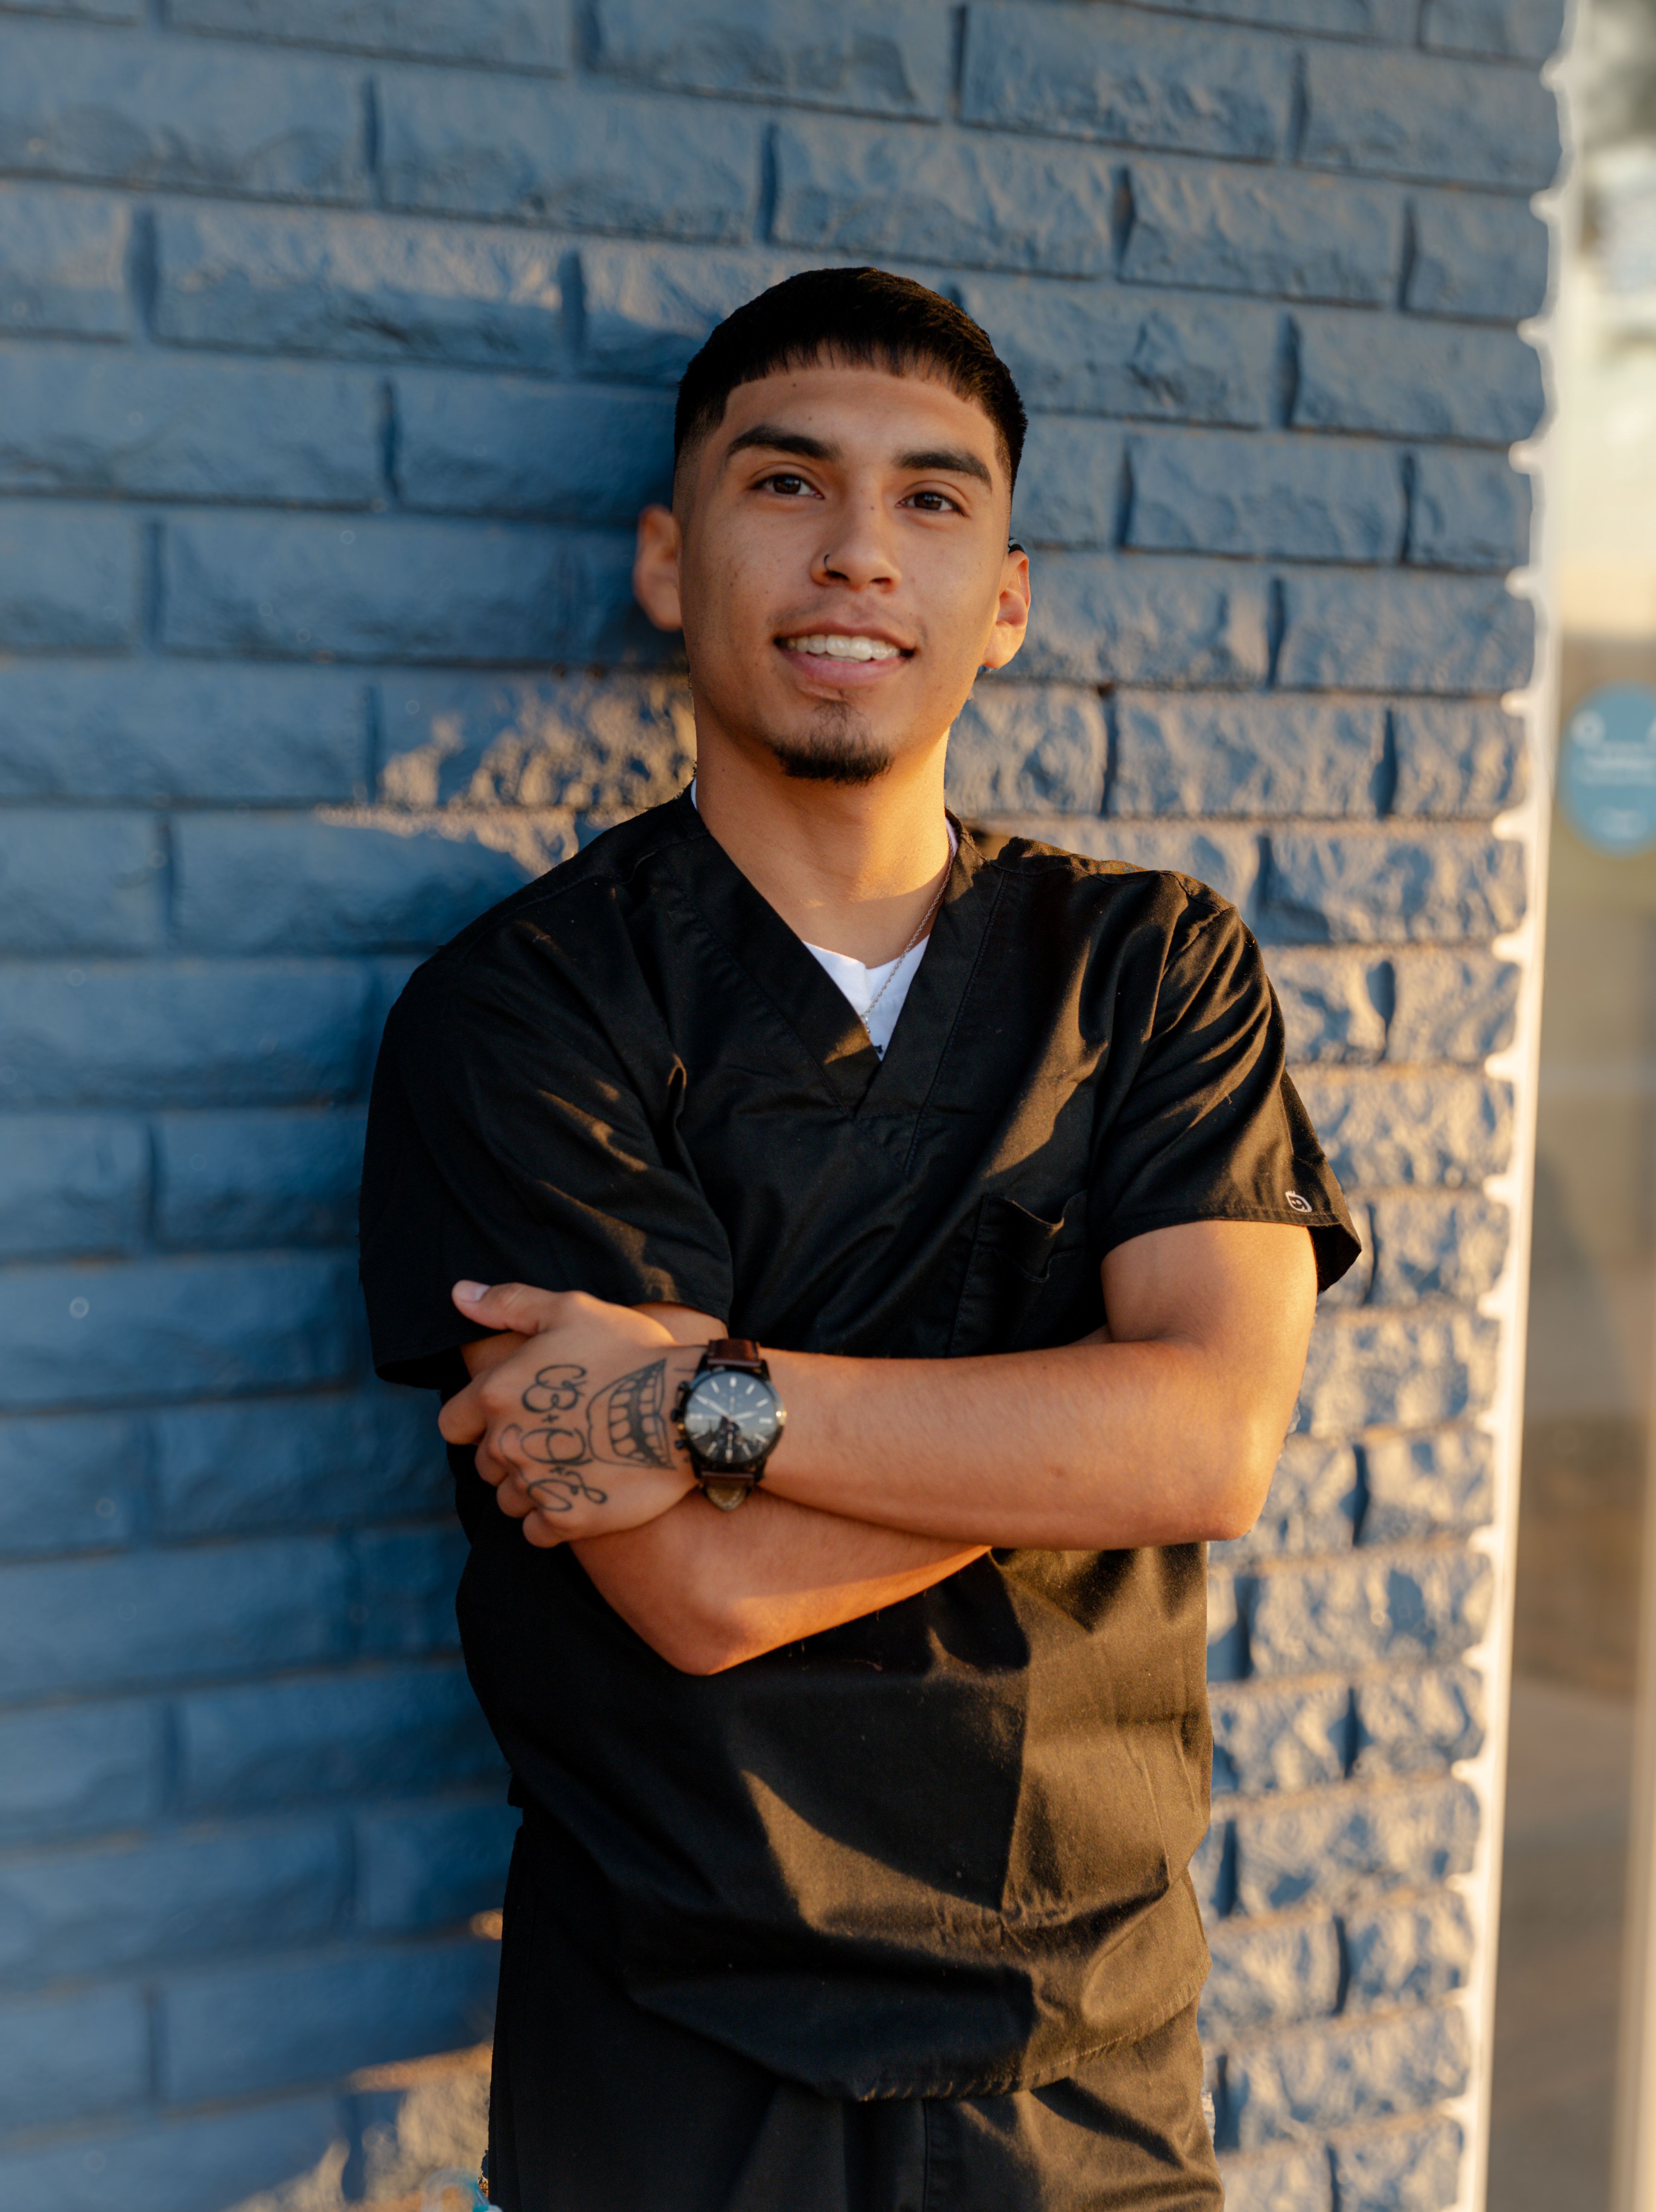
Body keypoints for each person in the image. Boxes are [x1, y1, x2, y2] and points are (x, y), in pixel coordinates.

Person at [359, 266, 1360, 2212]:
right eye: (785, 483)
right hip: (675, 2076)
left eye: (929, 499)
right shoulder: (526, 1009)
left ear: (1000, 597)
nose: (853, 556)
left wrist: (695, 1398)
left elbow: (1205, 1449)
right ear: (669, 558)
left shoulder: (1149, 969)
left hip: (1087, 2078)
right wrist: (1081, 1393)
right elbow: (699, 1597)